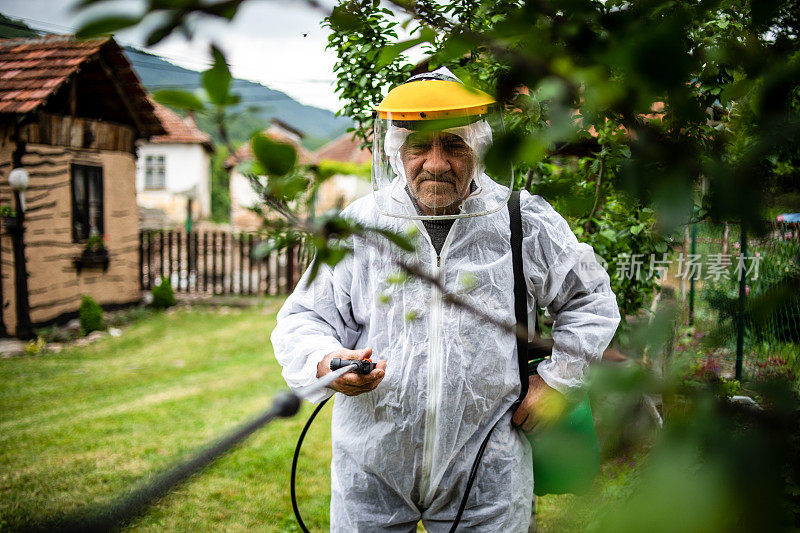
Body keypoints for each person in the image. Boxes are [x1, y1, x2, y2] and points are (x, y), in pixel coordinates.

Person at [271, 68, 620, 532]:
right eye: (420, 145)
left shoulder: (524, 222)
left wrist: (557, 382)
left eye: (453, 144)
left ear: (479, 146)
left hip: (486, 473)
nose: (436, 163)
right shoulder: (360, 228)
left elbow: (590, 300)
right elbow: (304, 318)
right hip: (372, 468)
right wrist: (326, 360)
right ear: (396, 151)